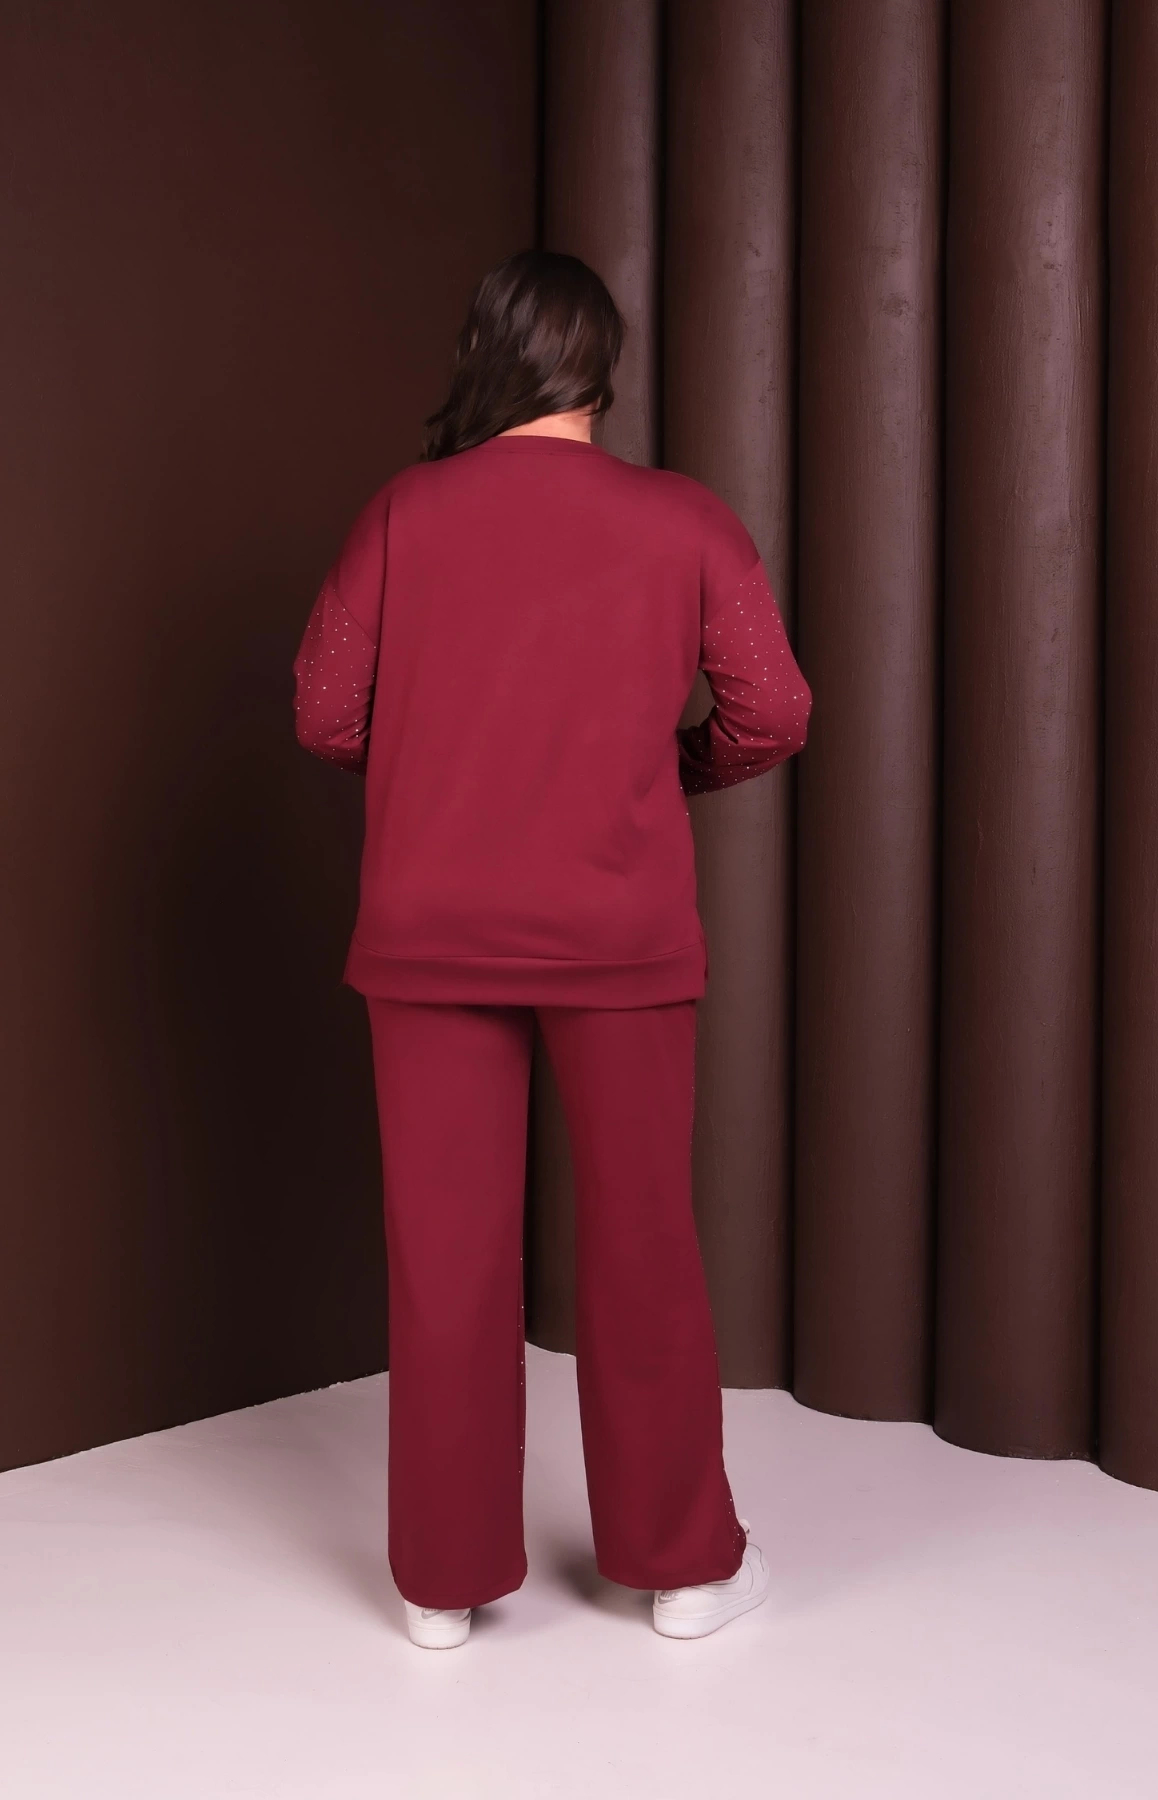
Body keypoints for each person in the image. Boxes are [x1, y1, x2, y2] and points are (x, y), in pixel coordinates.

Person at [292, 249, 812, 1649]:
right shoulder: (683, 520)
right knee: (644, 1246)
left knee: (446, 1258)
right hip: (619, 932)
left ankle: (442, 1583)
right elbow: (773, 710)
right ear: (602, 369)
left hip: (430, 934)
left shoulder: (404, 514)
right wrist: (668, 773)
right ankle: (683, 1568)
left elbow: (326, 710)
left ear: (489, 355)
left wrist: (444, 773)